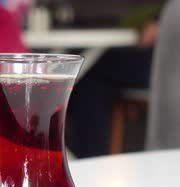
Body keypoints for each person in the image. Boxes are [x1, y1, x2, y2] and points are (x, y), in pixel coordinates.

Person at [67, 5, 161, 158]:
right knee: (89, 83)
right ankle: (88, 162)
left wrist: (159, 20)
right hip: (100, 47)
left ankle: (86, 161)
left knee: (87, 75)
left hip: (149, 56)